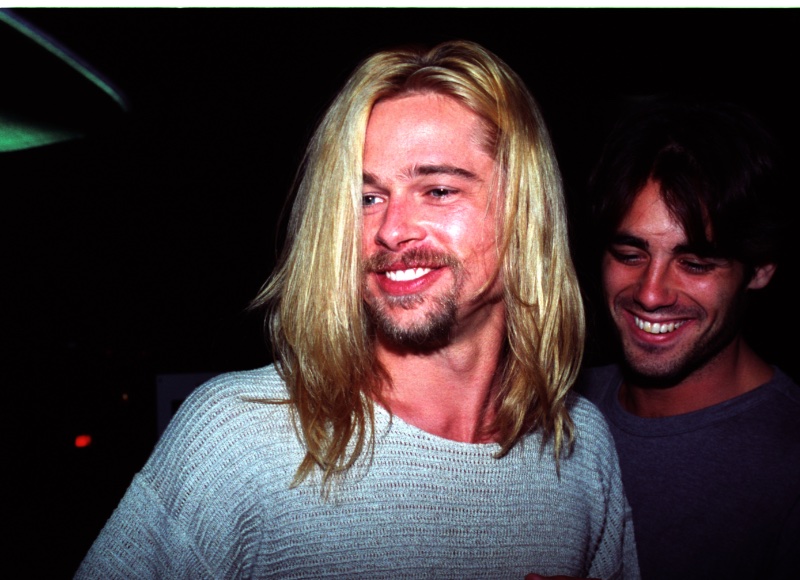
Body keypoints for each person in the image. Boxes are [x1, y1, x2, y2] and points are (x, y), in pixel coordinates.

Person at [77, 40, 638, 579]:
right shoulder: (237, 438)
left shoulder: (581, 447)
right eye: (367, 198)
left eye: (438, 190)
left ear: (526, 208)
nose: (391, 230)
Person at [578, 99, 800, 579]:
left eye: (695, 264)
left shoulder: (789, 461)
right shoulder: (553, 411)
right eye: (629, 253)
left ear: (760, 269)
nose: (651, 293)